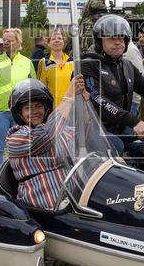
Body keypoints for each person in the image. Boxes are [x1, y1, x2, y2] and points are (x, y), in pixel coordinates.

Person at [80, 15, 144, 155]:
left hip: (118, 128)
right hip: (92, 130)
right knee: (117, 146)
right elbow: (97, 100)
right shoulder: (88, 65)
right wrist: (134, 122)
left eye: (121, 38)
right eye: (111, 38)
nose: (117, 42)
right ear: (99, 41)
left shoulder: (126, 65)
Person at [6, 76, 85, 209]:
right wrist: (69, 95)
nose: (34, 111)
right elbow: (46, 136)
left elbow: (82, 138)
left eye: (38, 106)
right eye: (28, 108)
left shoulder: (60, 129)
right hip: (43, 206)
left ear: (46, 109)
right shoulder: (15, 136)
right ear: (19, 113)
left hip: (75, 201)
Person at [0, 29, 36, 170]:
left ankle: (20, 176)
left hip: (21, 113)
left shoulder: (27, 62)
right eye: (4, 40)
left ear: (18, 42)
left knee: (21, 148)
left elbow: (33, 88)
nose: (5, 43)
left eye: (9, 40)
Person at [38, 30, 74, 108]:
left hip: (71, 108)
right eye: (53, 39)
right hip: (53, 109)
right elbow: (41, 89)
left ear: (63, 42)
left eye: (60, 38)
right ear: (48, 43)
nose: (57, 40)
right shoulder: (44, 62)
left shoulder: (72, 62)